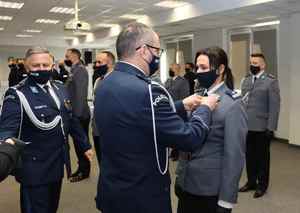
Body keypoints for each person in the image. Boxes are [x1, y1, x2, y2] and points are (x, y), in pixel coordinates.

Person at [94, 22, 219, 213]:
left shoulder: (106, 83)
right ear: (144, 51)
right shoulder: (148, 90)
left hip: (113, 190)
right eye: (157, 51)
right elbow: (189, 138)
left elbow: (137, 115)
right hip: (142, 196)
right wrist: (205, 108)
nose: (158, 56)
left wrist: (181, 105)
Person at [0, 47, 93, 213]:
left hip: (57, 163)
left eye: (45, 64)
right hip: (34, 168)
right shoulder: (17, 94)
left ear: (52, 65)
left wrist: (84, 145)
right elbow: (7, 128)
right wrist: (5, 144)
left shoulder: (60, 88)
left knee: (51, 207)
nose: (42, 68)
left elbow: (70, 120)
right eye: (36, 66)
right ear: (27, 68)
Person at [175, 46, 247, 213]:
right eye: (197, 67)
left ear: (220, 69)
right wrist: (180, 177)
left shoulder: (233, 104)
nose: (199, 72)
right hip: (187, 184)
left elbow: (234, 156)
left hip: (210, 189)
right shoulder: (197, 97)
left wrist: (226, 201)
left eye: (204, 68)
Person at [239, 53, 281, 198]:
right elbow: (242, 101)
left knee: (262, 158)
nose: (252, 65)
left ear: (263, 65)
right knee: (249, 156)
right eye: (251, 62)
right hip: (247, 125)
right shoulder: (246, 80)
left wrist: (271, 127)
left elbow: (275, 106)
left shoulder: (270, 81)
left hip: (262, 127)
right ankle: (251, 182)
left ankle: (262, 185)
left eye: (255, 63)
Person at [65, 48, 91, 182]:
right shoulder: (74, 69)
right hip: (74, 113)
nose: (65, 58)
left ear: (74, 56)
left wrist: (77, 115)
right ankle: (81, 168)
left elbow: (81, 94)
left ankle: (85, 171)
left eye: (67, 56)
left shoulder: (80, 69)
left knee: (83, 144)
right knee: (78, 144)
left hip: (80, 114)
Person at [92, 51, 115, 164]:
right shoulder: (98, 80)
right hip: (97, 128)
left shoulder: (117, 81)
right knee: (101, 159)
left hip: (111, 130)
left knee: (111, 162)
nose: (96, 65)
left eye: (99, 62)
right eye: (95, 62)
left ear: (109, 63)